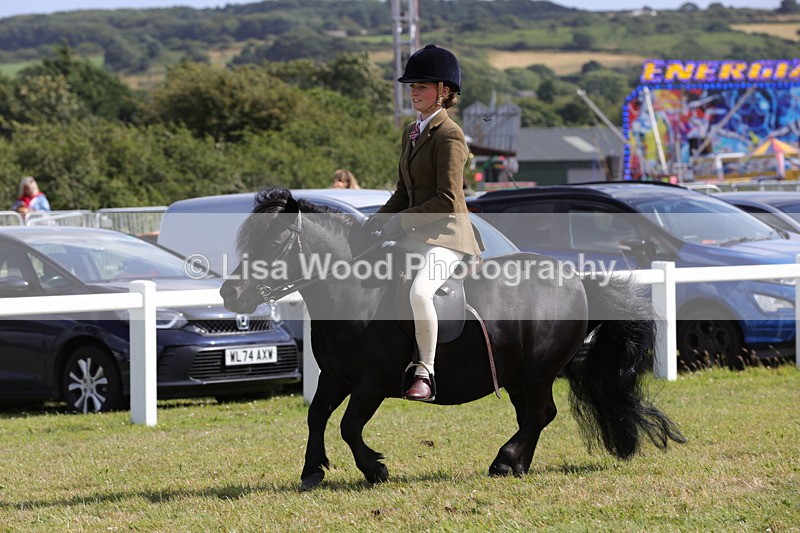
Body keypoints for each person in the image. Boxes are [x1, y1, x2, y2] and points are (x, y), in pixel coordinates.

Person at [370, 44, 483, 402]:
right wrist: (370, 223)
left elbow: (448, 200)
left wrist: (400, 224)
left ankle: (426, 371)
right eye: (411, 85)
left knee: (420, 291)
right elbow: (404, 192)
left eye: (422, 85)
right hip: (416, 233)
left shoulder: (450, 135)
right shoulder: (411, 132)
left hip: (448, 237)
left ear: (444, 92)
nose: (413, 91)